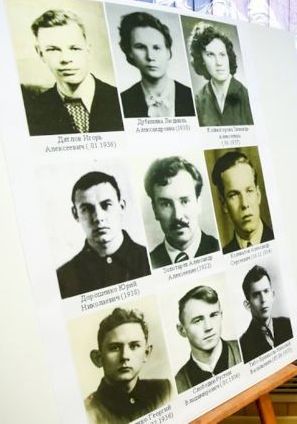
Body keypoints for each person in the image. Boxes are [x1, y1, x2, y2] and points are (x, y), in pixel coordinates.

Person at [26, 10, 123, 136]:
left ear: (88, 50)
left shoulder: (122, 100)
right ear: (40, 54)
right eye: (53, 49)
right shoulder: (31, 112)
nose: (65, 59)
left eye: (74, 48)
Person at [57, 171, 151, 299]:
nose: (98, 217)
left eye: (106, 205)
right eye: (87, 209)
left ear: (121, 206)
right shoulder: (63, 278)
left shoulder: (148, 261)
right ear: (75, 214)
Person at [85, 308, 170, 423]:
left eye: (134, 346)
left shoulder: (164, 391)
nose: (125, 356)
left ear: (146, 353)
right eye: (115, 348)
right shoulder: (88, 413)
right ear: (98, 358)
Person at [143, 157, 219, 268]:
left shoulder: (218, 249)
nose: (178, 216)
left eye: (185, 201)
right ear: (155, 210)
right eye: (166, 204)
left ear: (198, 203)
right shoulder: (148, 263)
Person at [118, 12, 195, 118]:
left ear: (168, 52)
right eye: (140, 47)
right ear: (130, 52)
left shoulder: (191, 96)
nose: (150, 56)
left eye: (156, 48)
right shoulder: (122, 101)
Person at [175, 285, 242, 393]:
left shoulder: (245, 348)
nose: (209, 327)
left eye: (213, 315)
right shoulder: (178, 385)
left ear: (221, 316)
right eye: (198, 320)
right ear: (182, 330)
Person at [187, 22, 253, 126]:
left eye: (222, 54)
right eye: (210, 55)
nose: (219, 62)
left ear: (228, 57)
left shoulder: (247, 97)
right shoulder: (198, 101)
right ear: (201, 59)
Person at [210, 150, 274, 253]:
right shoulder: (225, 254)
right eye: (234, 195)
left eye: (249, 191)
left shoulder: (279, 237)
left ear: (258, 195)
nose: (244, 204)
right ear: (224, 204)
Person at [239, 265, 293, 363]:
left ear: (273, 295)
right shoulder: (243, 345)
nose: (263, 300)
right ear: (247, 305)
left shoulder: (288, 324)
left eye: (266, 291)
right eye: (256, 295)